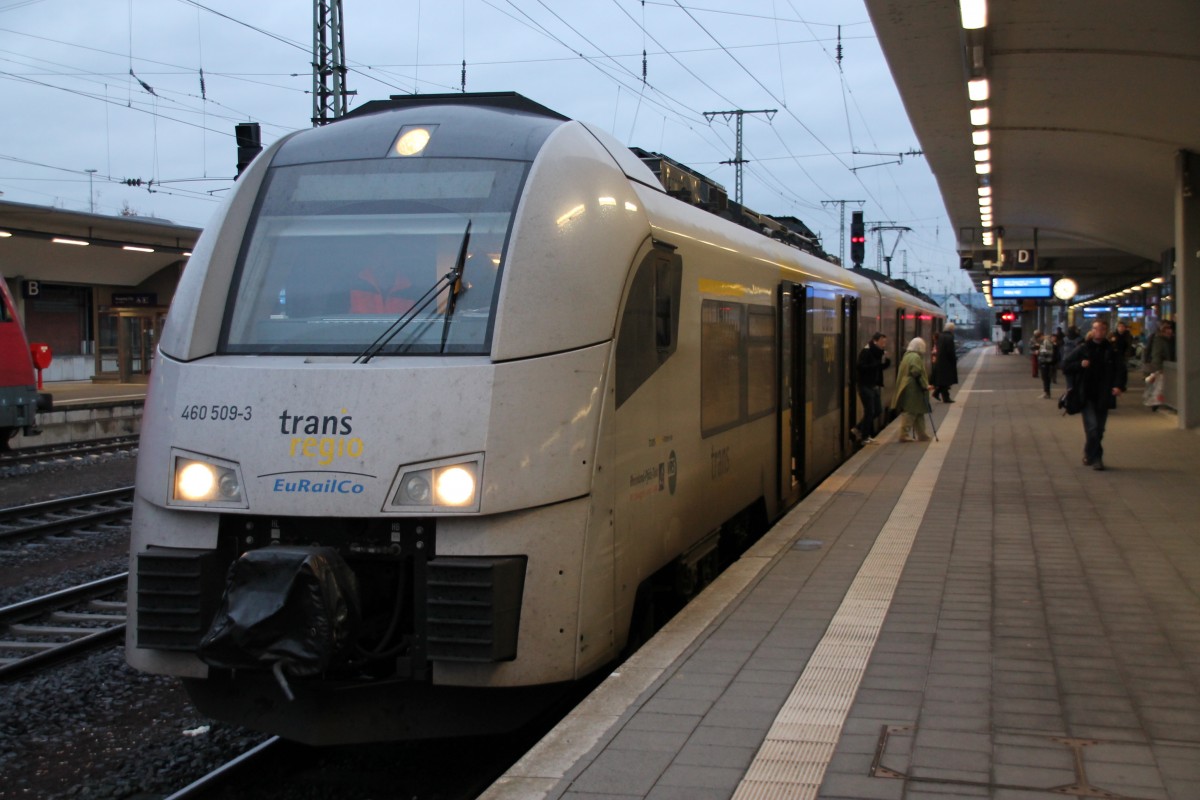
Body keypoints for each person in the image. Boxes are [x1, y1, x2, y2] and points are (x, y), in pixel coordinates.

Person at [1062, 319, 1127, 471]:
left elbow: (1120, 370)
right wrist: (1080, 365)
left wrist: (1118, 386)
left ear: (1106, 331)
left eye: (1102, 329)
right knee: (1093, 427)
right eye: (1096, 329)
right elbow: (1065, 365)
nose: (1099, 332)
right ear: (1092, 331)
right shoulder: (1083, 348)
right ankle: (1097, 458)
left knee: (1100, 430)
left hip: (1104, 394)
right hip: (1087, 394)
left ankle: (1088, 452)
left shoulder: (1111, 350)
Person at [891, 337, 934, 442]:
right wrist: (925, 385)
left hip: (910, 387)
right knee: (910, 411)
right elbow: (916, 372)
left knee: (918, 411)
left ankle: (922, 434)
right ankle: (903, 434)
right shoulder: (915, 357)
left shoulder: (907, 356)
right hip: (914, 388)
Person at [852, 332, 890, 444]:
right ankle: (864, 437)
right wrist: (876, 365)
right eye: (882, 342)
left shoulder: (877, 353)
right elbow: (860, 367)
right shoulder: (866, 351)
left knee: (877, 410)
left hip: (873, 385)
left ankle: (858, 428)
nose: (884, 345)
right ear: (875, 341)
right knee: (869, 411)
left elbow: (879, 367)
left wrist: (887, 361)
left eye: (885, 342)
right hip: (864, 385)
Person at [1145, 320, 1176, 411]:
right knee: (1159, 386)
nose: (1169, 331)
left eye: (1170, 328)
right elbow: (1156, 354)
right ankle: (1155, 403)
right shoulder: (1158, 339)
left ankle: (1160, 402)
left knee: (1163, 386)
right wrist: (1157, 368)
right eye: (1166, 328)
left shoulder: (1172, 339)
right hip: (1160, 367)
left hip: (1169, 366)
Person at [930, 323, 958, 402]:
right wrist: (954, 360)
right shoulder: (950, 338)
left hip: (940, 361)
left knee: (944, 381)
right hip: (947, 362)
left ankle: (941, 395)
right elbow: (950, 351)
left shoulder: (941, 336)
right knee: (947, 381)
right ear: (951, 329)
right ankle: (942, 396)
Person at [1060, 325, 1084, 390]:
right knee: (1078, 383)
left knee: (1069, 383)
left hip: (1066, 362)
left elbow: (1061, 352)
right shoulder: (1080, 339)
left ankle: (1069, 395)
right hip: (1077, 362)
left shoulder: (1064, 339)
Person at [1037, 330, 1058, 398]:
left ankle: (1047, 393)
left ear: (1041, 336)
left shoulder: (1046, 342)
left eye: (1038, 338)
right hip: (1045, 361)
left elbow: (1048, 351)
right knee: (1045, 378)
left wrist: (1040, 352)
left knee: (1045, 378)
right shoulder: (1046, 341)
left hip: (1046, 362)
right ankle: (1046, 392)